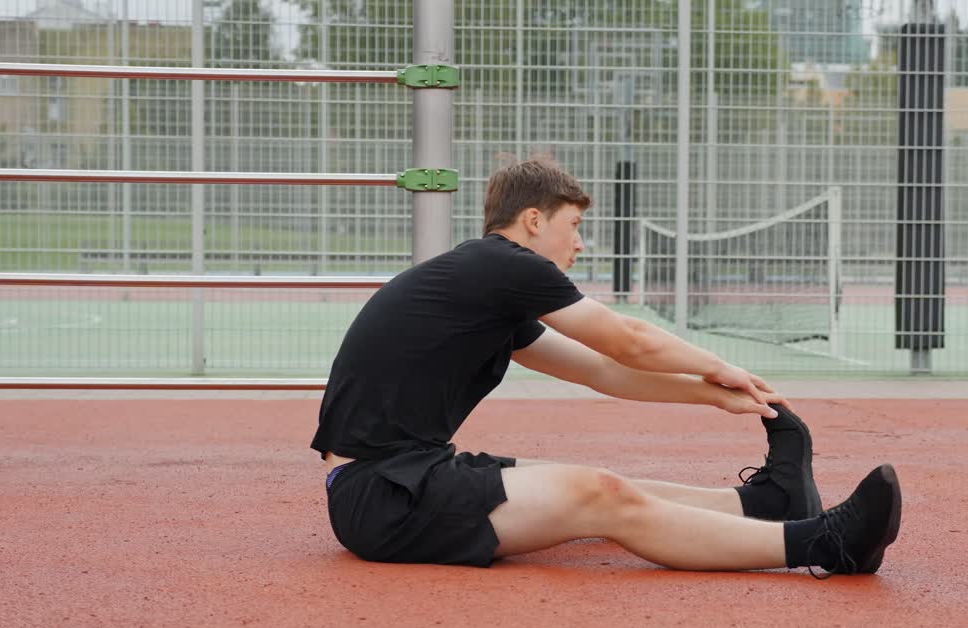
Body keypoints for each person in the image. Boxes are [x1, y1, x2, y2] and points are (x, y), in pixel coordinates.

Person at [311, 158, 901, 577]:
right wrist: (721, 365)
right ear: (535, 221)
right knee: (600, 495)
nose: (581, 245)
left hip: (402, 480)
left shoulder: (485, 287)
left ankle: (764, 506)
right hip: (384, 498)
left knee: (606, 488)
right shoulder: (504, 264)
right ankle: (825, 543)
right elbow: (628, 341)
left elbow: (601, 371)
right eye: (575, 226)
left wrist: (712, 393)